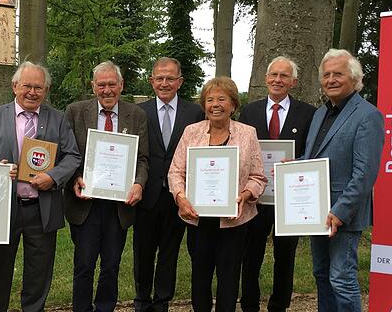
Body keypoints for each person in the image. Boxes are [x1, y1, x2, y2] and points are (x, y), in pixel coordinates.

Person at [0, 62, 81, 312]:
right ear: (15, 86)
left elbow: (72, 156)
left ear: (46, 90)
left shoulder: (57, 119)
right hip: (5, 208)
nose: (32, 92)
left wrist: (53, 176)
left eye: (38, 87)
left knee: (39, 271)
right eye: (27, 85)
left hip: (42, 207)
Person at [168, 76, 267, 312]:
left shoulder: (248, 134)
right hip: (198, 219)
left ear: (233, 104)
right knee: (200, 277)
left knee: (229, 277)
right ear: (204, 105)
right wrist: (181, 198)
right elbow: (175, 171)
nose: (215, 104)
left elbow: (258, 176)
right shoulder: (191, 132)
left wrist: (245, 195)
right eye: (210, 99)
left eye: (222, 99)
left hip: (234, 221)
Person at [64, 61, 149, 312]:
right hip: (85, 204)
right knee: (84, 264)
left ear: (121, 85)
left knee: (111, 264)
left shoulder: (136, 115)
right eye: (101, 85)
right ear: (93, 86)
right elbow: (66, 154)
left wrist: (138, 184)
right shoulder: (75, 112)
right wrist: (75, 178)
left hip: (119, 206)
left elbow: (143, 159)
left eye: (112, 84)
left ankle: (105, 308)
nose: (107, 90)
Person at [303, 49, 384, 312]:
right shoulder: (320, 114)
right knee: (321, 274)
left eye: (338, 74)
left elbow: (365, 173)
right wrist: (293, 168)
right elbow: (314, 156)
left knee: (342, 279)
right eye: (326, 75)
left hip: (342, 215)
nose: (331, 80)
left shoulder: (368, 115)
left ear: (354, 78)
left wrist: (339, 212)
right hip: (316, 211)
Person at [238, 57, 316, 312]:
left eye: (284, 76)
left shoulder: (308, 113)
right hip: (255, 198)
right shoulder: (249, 111)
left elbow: (312, 152)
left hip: (290, 199)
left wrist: (299, 162)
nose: (277, 80)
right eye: (273, 75)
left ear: (293, 82)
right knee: (251, 255)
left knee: (286, 256)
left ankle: (279, 305)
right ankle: (249, 304)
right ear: (265, 78)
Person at [134, 57, 204, 312]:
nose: (164, 83)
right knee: (143, 251)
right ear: (151, 81)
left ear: (180, 82)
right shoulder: (139, 111)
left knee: (169, 252)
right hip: (146, 193)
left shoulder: (194, 112)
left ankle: (162, 301)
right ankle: (142, 300)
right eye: (159, 78)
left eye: (170, 78)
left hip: (179, 195)